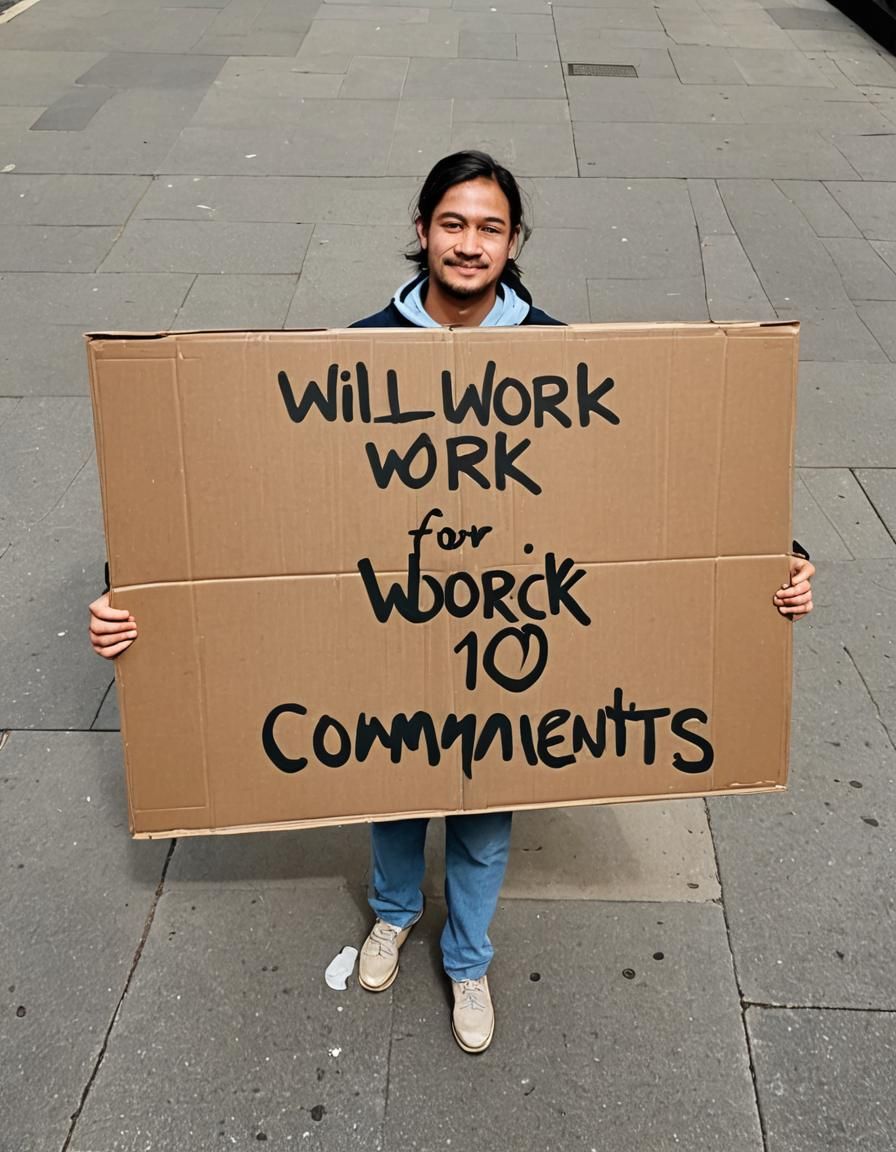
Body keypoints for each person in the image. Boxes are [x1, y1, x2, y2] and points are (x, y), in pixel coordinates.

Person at [88, 150, 816, 1056]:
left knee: (484, 802)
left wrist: (773, 565)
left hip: (504, 638)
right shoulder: (351, 354)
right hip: (390, 631)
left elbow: (656, 493)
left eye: (491, 227)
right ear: (424, 229)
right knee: (390, 784)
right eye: (453, 223)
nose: (470, 244)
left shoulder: (566, 357)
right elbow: (247, 505)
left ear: (514, 243)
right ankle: (393, 915)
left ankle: (467, 957)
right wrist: (134, 597)